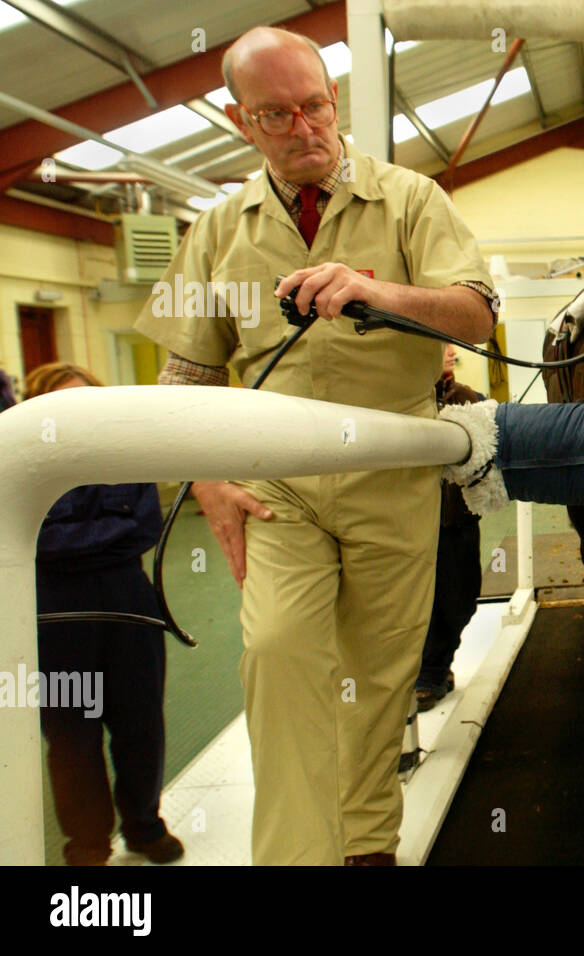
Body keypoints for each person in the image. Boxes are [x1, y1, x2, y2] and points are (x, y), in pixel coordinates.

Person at [134, 26, 495, 865]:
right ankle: (295, 857)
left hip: (394, 473)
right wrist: (210, 480)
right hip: (278, 486)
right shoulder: (220, 228)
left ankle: (368, 847)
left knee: (376, 676)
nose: (305, 129)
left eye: (316, 106)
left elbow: (477, 315)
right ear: (239, 120)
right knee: (277, 654)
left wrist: (377, 289)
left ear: (334, 100)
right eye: (277, 114)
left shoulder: (411, 200)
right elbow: (183, 376)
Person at [27, 362, 183, 866]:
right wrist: (99, 540)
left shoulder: (126, 457)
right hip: (55, 616)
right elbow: (29, 542)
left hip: (128, 605)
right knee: (71, 731)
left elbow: (144, 528)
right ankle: (88, 842)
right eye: (62, 404)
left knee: (141, 724)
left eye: (85, 402)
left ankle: (143, 825)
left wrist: (66, 544)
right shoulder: (23, 464)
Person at [415, 347, 484, 710]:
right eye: (439, 345)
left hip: (457, 520)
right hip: (412, 521)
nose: (450, 350)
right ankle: (429, 671)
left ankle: (438, 663)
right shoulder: (403, 402)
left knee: (460, 597)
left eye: (449, 344)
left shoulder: (467, 397)